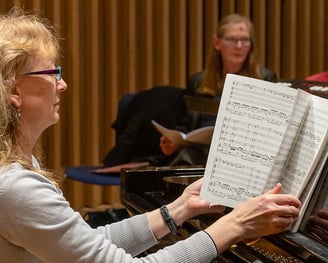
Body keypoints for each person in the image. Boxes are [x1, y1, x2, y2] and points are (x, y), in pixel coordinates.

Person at [0, 8, 301, 262]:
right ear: (14, 90)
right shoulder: (16, 188)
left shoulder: (20, 169)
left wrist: (179, 209)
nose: (62, 84)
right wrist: (235, 224)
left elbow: (88, 242)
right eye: (52, 73)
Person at [160, 13, 277, 160]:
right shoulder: (198, 82)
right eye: (232, 39)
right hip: (198, 155)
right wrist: (174, 143)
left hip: (239, 157)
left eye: (245, 40)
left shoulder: (265, 79)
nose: (239, 46)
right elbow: (185, 126)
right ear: (217, 43)